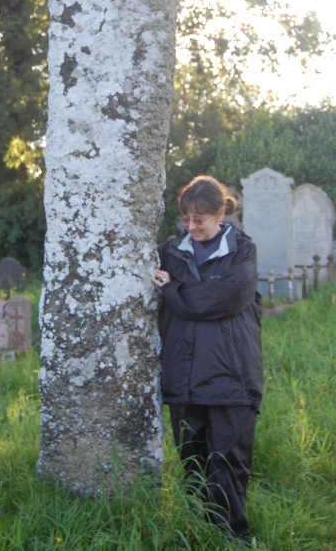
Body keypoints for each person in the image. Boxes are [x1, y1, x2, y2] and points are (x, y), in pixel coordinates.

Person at [152, 175, 263, 545]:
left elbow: (226, 297)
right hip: (183, 375)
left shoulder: (242, 251)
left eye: (200, 218)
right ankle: (199, 533)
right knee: (194, 462)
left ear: (221, 212)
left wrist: (173, 290)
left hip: (231, 374)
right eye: (186, 218)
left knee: (229, 462)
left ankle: (233, 537)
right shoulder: (170, 251)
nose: (192, 225)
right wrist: (178, 293)